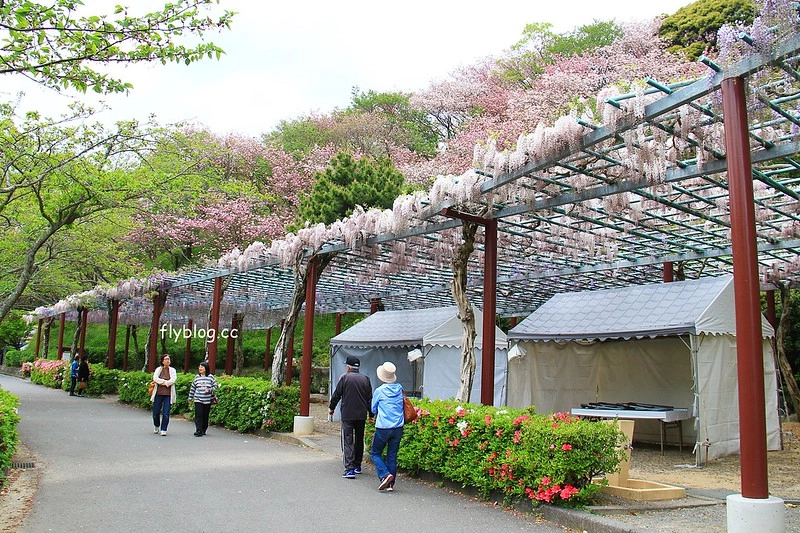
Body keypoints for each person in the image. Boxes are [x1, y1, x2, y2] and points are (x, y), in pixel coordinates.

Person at [328, 355, 372, 479]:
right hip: (361, 414)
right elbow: (369, 398)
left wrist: (331, 408)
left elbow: (336, 395)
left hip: (347, 414)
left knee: (348, 440)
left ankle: (349, 468)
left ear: (348, 367)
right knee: (359, 439)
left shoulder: (345, 378)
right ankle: (358, 465)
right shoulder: (365, 379)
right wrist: (371, 414)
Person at [370, 361, 404, 492]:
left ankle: (385, 474)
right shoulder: (400, 389)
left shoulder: (380, 391)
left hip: (383, 427)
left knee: (375, 453)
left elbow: (373, 408)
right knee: (392, 455)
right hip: (398, 427)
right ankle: (391, 484)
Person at [188, 361, 217, 437]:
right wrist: (190, 398)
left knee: (205, 415)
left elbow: (215, 387)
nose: (200, 368)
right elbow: (193, 388)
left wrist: (209, 390)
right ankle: (198, 430)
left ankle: (203, 429)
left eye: (202, 367)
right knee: (198, 415)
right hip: (198, 399)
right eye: (199, 367)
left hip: (207, 400)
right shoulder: (197, 377)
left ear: (206, 368)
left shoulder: (210, 377)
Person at [151, 354, 177, 436]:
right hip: (158, 393)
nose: (167, 361)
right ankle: (156, 425)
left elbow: (173, 379)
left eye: (168, 359)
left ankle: (164, 429)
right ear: (162, 361)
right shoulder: (158, 369)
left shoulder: (172, 370)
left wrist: (165, 383)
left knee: (166, 413)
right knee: (156, 412)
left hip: (168, 394)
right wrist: (164, 382)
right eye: (166, 359)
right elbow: (155, 378)